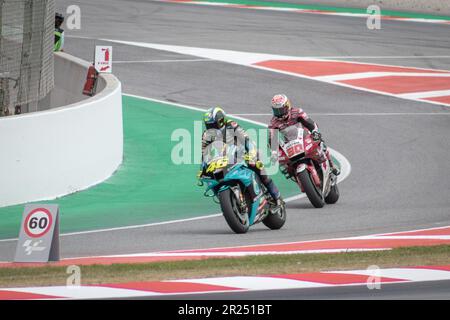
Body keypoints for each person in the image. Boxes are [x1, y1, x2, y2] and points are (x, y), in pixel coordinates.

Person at [199, 107, 282, 205]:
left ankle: (276, 196)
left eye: (213, 124)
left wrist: (251, 154)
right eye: (209, 125)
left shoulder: (231, 125)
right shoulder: (206, 135)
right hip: (224, 158)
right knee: (212, 177)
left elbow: (246, 139)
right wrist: (203, 168)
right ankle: (228, 201)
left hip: (243, 152)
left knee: (259, 169)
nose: (212, 128)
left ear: (221, 121)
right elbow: (204, 153)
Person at [268, 94, 340, 176]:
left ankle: (331, 165)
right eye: (276, 111)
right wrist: (274, 152)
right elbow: (272, 138)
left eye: (281, 110)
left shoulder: (297, 112)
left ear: (287, 106)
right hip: (290, 143)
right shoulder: (273, 122)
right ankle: (296, 175)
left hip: (305, 137)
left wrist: (315, 131)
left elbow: (310, 123)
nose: (279, 113)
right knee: (285, 166)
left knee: (320, 143)